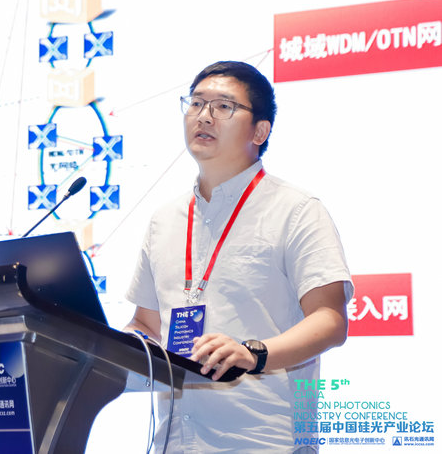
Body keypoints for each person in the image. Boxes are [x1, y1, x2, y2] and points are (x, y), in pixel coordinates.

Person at [124, 61, 353, 453]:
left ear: (260, 131)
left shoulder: (296, 210)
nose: (204, 116)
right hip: (174, 441)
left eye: (223, 106)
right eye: (196, 103)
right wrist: (110, 347)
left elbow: (330, 320)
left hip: (264, 441)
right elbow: (146, 323)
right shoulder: (164, 220)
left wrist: (253, 353)